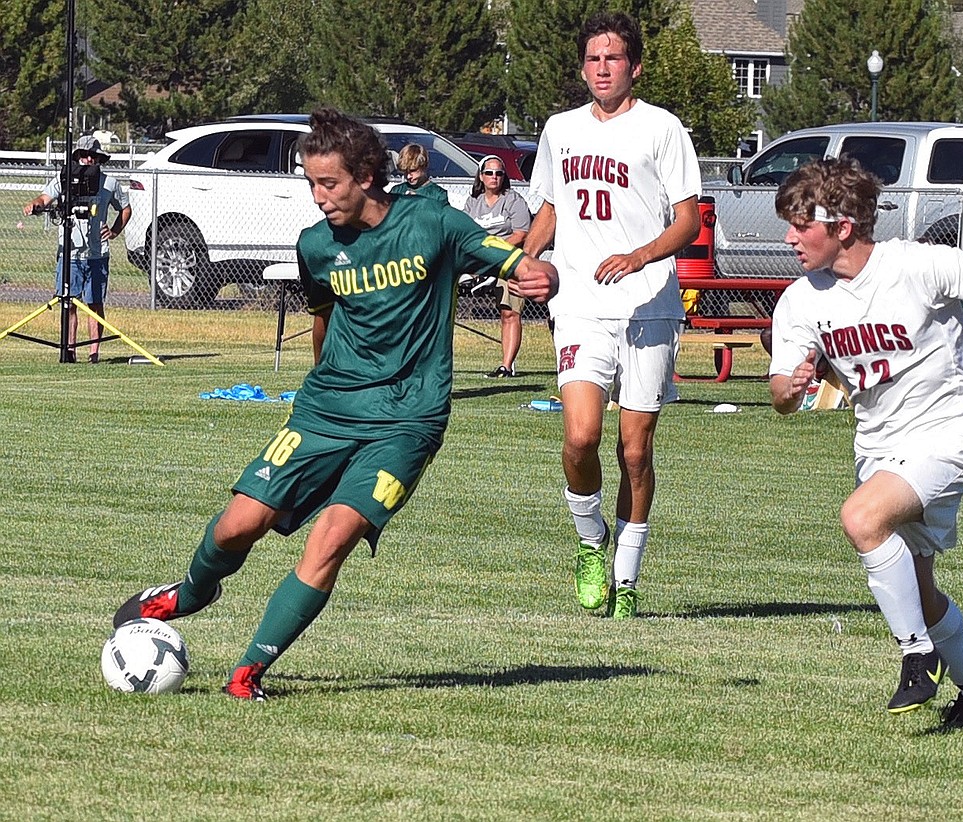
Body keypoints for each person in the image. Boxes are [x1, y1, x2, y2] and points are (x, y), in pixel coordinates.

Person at [112, 108, 558, 701]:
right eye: (310, 183)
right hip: (326, 410)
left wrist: (536, 271)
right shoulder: (316, 246)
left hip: (408, 420)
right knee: (238, 525)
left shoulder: (432, 221)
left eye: (329, 184)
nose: (319, 197)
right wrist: (316, 390)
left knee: (332, 537)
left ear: (368, 175)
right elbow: (324, 320)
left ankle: (248, 673)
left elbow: (506, 257)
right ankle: (188, 592)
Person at [768, 157, 963, 727]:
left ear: (842, 224)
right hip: (879, 444)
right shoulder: (801, 300)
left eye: (802, 224)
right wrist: (790, 386)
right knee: (917, 585)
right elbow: (780, 395)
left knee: (861, 518)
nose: (790, 237)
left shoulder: (917, 264)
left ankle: (916, 657)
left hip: (953, 429)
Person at [524, 11, 701, 620]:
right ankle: (590, 540)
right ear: (582, 67)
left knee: (635, 450)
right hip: (579, 305)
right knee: (580, 437)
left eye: (614, 58)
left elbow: (688, 220)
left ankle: (626, 579)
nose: (604, 68)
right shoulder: (560, 130)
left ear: (635, 66)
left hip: (649, 306)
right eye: (594, 59)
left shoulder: (663, 129)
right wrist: (522, 259)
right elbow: (550, 209)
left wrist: (639, 255)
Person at [23, 135, 131, 363]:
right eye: (84, 155)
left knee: (94, 304)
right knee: (68, 303)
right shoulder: (64, 180)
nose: (88, 159)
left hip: (96, 254)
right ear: (78, 157)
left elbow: (125, 208)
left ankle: (94, 353)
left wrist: (114, 231)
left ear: (99, 158)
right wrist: (35, 205)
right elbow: (44, 198)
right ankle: (69, 351)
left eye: (92, 155)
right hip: (69, 253)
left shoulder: (109, 183)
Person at [462, 155, 531, 377]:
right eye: (489, 173)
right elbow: (465, 233)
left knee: (508, 312)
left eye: (499, 173)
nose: (494, 177)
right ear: (481, 176)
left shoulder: (513, 200)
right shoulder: (473, 202)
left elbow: (521, 234)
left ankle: (506, 366)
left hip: (508, 260)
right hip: (479, 262)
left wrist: (493, 252)